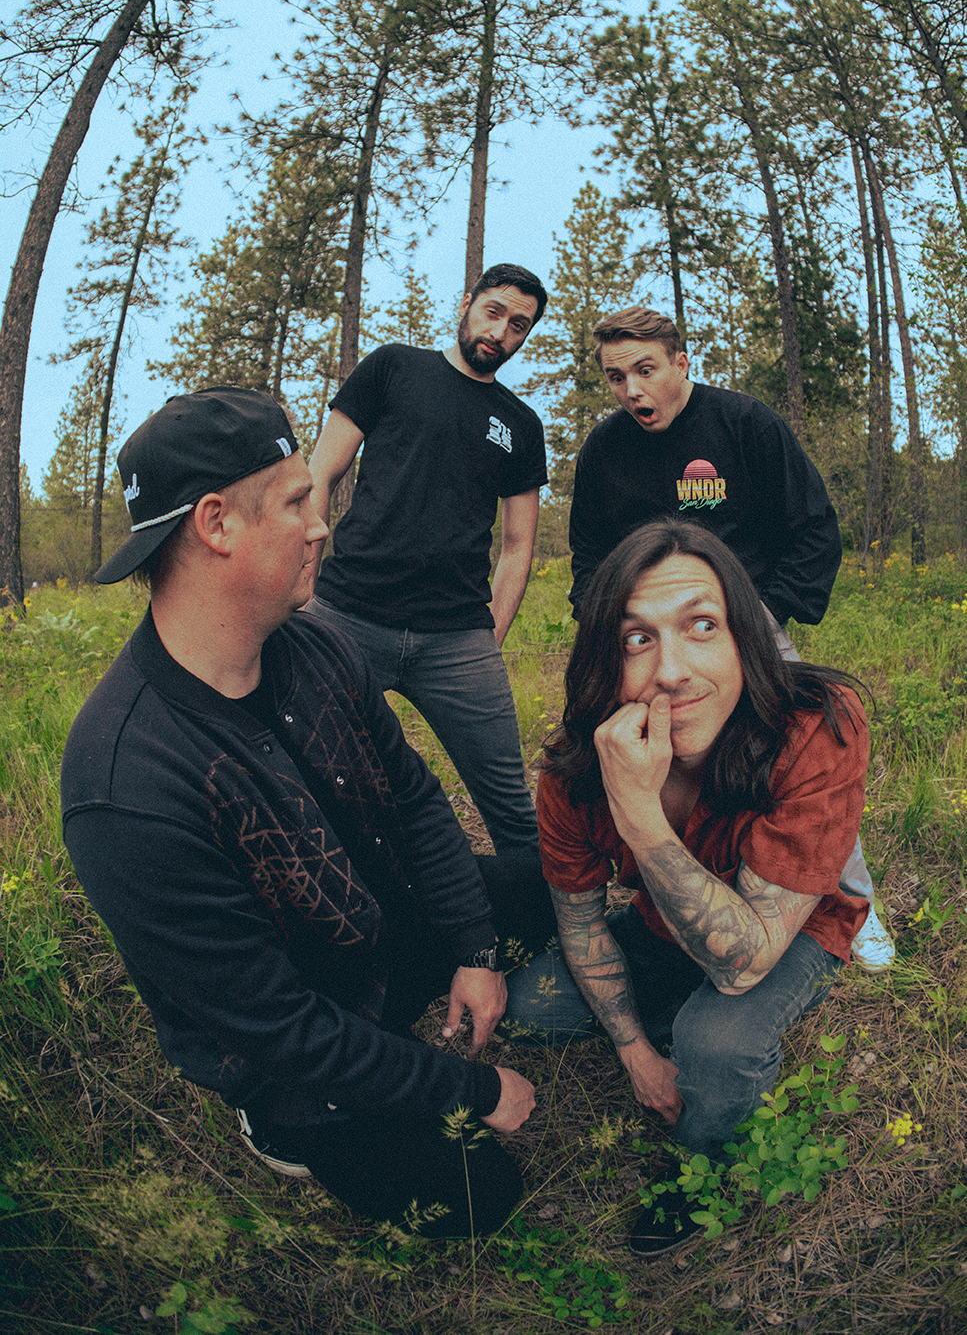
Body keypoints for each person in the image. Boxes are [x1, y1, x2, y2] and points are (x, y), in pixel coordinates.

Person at [61, 387, 556, 1237]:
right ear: (216, 523)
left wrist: (474, 948)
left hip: (379, 932)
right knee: (476, 1197)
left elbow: (413, 799)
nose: (322, 524)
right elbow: (276, 1024)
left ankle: (410, 1020)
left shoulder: (318, 644)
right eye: (297, 501)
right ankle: (279, 1124)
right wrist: (470, 1086)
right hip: (289, 1043)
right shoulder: (127, 783)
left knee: (544, 883)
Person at [506, 520, 870, 1258]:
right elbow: (580, 922)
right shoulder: (574, 766)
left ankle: (703, 1169)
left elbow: (745, 962)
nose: (670, 671)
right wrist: (636, 1051)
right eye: (637, 638)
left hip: (791, 928)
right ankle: (672, 1009)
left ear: (743, 638)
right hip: (664, 923)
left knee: (715, 1039)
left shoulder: (813, 727)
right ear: (605, 662)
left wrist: (641, 816)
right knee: (530, 1004)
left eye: (702, 625)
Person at [566, 305, 893, 970]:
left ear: (681, 362)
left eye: (645, 370)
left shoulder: (744, 425)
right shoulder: (603, 450)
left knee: (801, 754)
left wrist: (763, 615)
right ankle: (687, 894)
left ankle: (854, 905)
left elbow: (812, 525)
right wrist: (606, 628)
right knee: (621, 755)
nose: (631, 389)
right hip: (645, 639)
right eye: (616, 377)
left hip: (747, 628)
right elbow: (588, 558)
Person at [305, 263, 549, 863]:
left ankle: (544, 911)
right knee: (307, 780)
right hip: (346, 614)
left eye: (519, 325)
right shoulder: (394, 367)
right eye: (493, 311)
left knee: (515, 812)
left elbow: (518, 544)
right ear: (467, 303)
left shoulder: (520, 424)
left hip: (457, 638)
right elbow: (320, 475)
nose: (501, 332)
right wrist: (303, 588)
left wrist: (490, 637)